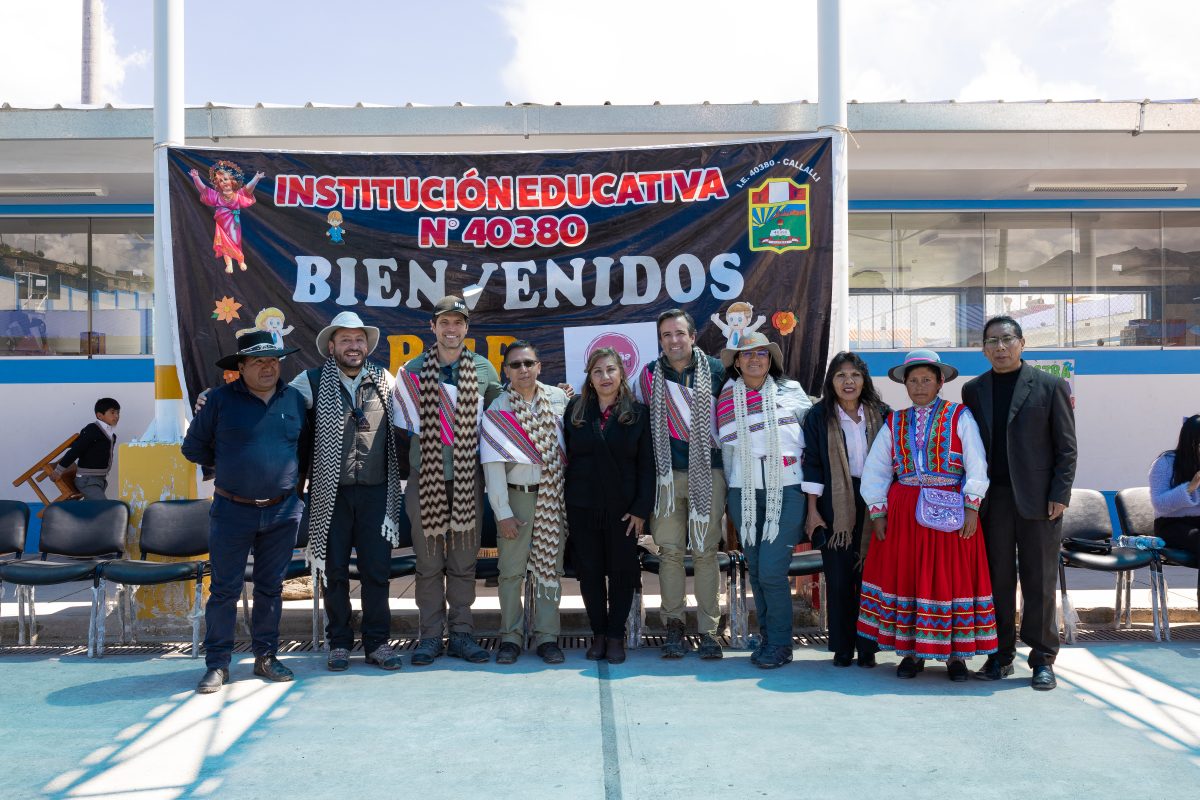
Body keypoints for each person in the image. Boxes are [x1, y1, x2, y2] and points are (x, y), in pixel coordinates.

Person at [857, 349, 997, 681]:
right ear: (904, 384)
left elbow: (976, 462)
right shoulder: (895, 421)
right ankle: (911, 653)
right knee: (909, 578)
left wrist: (972, 505)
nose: (919, 386)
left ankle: (955, 656)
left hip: (951, 512)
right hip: (905, 512)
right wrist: (877, 511)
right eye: (913, 381)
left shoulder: (959, 416)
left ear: (939, 383)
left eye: (926, 380)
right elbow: (877, 468)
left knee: (949, 579)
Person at [181, 330, 308, 693]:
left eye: (273, 360)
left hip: (282, 513)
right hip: (232, 511)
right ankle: (218, 664)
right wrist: (230, 461)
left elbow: (303, 451)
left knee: (270, 588)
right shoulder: (219, 400)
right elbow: (193, 448)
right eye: (258, 361)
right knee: (224, 589)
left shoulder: (295, 400)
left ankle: (266, 657)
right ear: (240, 367)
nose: (268, 368)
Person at [962, 315, 1077, 691]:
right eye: (992, 341)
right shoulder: (973, 390)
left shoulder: (1050, 385)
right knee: (997, 580)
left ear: (1022, 343)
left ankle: (1042, 659)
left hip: (1040, 501)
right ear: (983, 349)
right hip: (992, 500)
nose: (1000, 347)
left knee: (1039, 580)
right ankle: (1000, 655)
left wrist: (1059, 494)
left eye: (1007, 339)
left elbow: (1067, 447)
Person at [392, 295, 502, 666]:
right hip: (426, 479)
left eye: (458, 322)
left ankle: (462, 635)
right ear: (433, 327)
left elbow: (502, 416)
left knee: (463, 563)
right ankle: (429, 637)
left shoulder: (484, 369)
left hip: (468, 480)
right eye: (444, 322)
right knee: (428, 564)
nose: (451, 329)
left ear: (467, 328)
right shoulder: (413, 370)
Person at [295, 311, 404, 672]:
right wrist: (212, 398)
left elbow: (415, 411)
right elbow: (274, 404)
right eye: (345, 340)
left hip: (377, 492)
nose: (353, 346)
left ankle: (378, 643)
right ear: (332, 346)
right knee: (334, 572)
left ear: (366, 346)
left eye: (359, 340)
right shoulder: (309, 381)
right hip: (331, 495)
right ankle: (339, 643)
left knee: (376, 572)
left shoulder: (385, 380)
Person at [633, 309, 727, 660]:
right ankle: (673, 624)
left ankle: (709, 630)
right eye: (666, 335)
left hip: (709, 472)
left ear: (693, 336)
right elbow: (635, 420)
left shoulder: (716, 371)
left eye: (679, 333)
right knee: (669, 552)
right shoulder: (648, 376)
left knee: (705, 551)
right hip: (665, 477)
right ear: (660, 340)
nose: (673, 340)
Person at [716, 331, 812, 669]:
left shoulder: (792, 392)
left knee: (772, 570)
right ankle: (770, 639)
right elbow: (724, 449)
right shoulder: (725, 398)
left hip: (786, 489)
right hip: (743, 491)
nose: (754, 359)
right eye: (747, 354)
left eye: (761, 353)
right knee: (756, 570)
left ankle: (782, 643)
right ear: (737, 362)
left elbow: (813, 441)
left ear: (771, 360)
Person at [481, 340, 570, 665]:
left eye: (528, 363)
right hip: (515, 497)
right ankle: (511, 637)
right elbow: (492, 467)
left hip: (552, 496)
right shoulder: (498, 408)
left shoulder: (558, 399)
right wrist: (502, 512)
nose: (523, 369)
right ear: (506, 371)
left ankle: (547, 637)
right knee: (510, 573)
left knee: (549, 570)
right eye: (516, 365)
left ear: (539, 367)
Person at [564, 347, 654, 665]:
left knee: (621, 573)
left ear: (622, 374)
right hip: (582, 506)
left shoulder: (638, 413)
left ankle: (616, 636)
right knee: (589, 573)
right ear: (589, 377)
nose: (605, 376)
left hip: (624, 511)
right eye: (598, 371)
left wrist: (641, 509)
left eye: (611, 369)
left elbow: (647, 466)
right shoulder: (575, 410)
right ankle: (598, 634)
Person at [801, 352, 890, 668]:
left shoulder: (882, 413)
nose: (848, 381)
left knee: (869, 577)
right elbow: (812, 464)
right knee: (839, 579)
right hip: (834, 504)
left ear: (864, 380)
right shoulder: (818, 416)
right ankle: (842, 647)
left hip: (875, 499)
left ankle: (867, 647)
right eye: (841, 375)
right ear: (831, 381)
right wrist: (813, 511)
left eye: (855, 375)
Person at [1149, 414, 1200, 609]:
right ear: (1191, 442)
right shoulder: (1165, 462)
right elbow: (1159, 503)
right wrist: (1190, 487)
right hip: (1171, 524)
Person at [187, 159, 265, 273]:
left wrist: (256, 178)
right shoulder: (216, 196)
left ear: (232, 181)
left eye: (225, 179)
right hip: (221, 225)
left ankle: (240, 260)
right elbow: (203, 190)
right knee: (224, 244)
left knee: (235, 242)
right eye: (220, 181)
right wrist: (196, 178)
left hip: (234, 224)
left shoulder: (238, 195)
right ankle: (229, 264)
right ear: (218, 184)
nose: (223, 182)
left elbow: (248, 189)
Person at [54, 397, 121, 499]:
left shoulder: (112, 435)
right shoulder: (92, 430)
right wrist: (58, 470)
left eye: (118, 412)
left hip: (100, 479)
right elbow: (76, 450)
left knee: (92, 507)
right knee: (103, 506)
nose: (116, 416)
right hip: (87, 480)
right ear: (99, 415)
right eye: (112, 412)